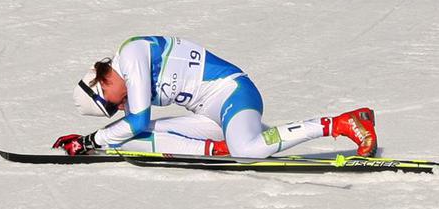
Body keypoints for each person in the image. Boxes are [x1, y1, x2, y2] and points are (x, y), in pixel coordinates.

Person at [53, 36, 378, 159]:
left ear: (101, 82)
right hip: (212, 115)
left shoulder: (130, 55)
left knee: (246, 151)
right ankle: (219, 147)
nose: (119, 107)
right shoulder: (128, 67)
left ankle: (339, 123)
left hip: (235, 94)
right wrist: (92, 140)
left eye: (111, 104)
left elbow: (136, 120)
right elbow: (134, 127)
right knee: (130, 140)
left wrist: (92, 140)